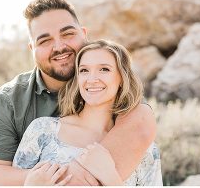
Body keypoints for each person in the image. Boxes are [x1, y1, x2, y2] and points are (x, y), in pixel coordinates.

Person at [0, 0, 156, 186]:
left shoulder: (107, 83)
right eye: (44, 41)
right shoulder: (11, 100)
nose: (59, 47)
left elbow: (140, 123)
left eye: (67, 34)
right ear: (31, 48)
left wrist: (107, 175)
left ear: (84, 34)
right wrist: (38, 180)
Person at [15, 40, 162, 186]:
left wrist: (110, 178)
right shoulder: (42, 131)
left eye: (104, 69)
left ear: (122, 78)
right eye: (84, 70)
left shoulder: (144, 147)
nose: (92, 79)